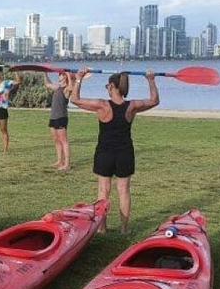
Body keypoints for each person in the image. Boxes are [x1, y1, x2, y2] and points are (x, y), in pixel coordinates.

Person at [71, 67, 159, 233]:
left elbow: (74, 99)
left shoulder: (102, 105)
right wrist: (151, 80)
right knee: (124, 191)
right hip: (125, 153)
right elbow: (154, 100)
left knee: (103, 191)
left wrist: (79, 78)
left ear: (111, 86)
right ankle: (124, 229)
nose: (107, 89)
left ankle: (102, 228)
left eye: (107, 86)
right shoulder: (132, 106)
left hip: (105, 153)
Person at [43, 71, 73, 170]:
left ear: (64, 77)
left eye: (61, 74)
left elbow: (71, 87)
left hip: (61, 118)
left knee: (63, 141)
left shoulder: (66, 89)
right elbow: (47, 84)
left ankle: (67, 164)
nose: (59, 76)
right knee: (56, 140)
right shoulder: (57, 88)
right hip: (53, 117)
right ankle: (60, 161)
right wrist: (45, 73)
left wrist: (68, 74)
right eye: (59, 74)